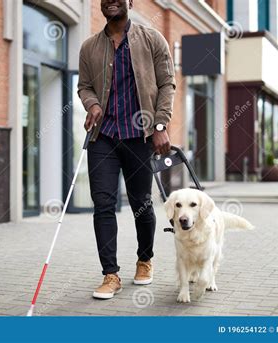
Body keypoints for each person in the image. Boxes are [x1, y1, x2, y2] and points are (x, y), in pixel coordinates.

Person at [77, 0, 176, 299]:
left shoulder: (152, 39)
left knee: (141, 205)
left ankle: (145, 259)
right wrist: (92, 104)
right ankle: (110, 274)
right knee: (103, 205)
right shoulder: (89, 47)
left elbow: (167, 84)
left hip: (139, 137)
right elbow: (84, 86)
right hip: (103, 137)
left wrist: (160, 126)